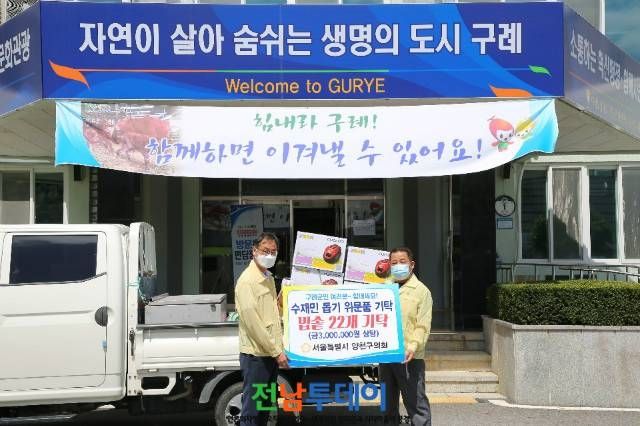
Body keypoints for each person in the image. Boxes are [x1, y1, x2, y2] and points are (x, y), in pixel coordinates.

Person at [235, 232, 289, 426]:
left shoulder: (268, 277)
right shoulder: (247, 281)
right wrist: (276, 352)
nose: (270, 255)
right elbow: (254, 324)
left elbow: (271, 314)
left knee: (265, 406)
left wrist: (281, 302)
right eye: (265, 251)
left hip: (269, 355)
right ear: (254, 251)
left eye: (273, 252)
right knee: (253, 410)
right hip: (257, 356)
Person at [380, 247, 433, 426]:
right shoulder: (384, 288)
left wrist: (413, 346)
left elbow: (422, 325)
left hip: (409, 356)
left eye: (402, 262)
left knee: (416, 404)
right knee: (387, 405)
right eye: (394, 263)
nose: (398, 266)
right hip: (387, 355)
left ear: (412, 265)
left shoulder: (421, 291)